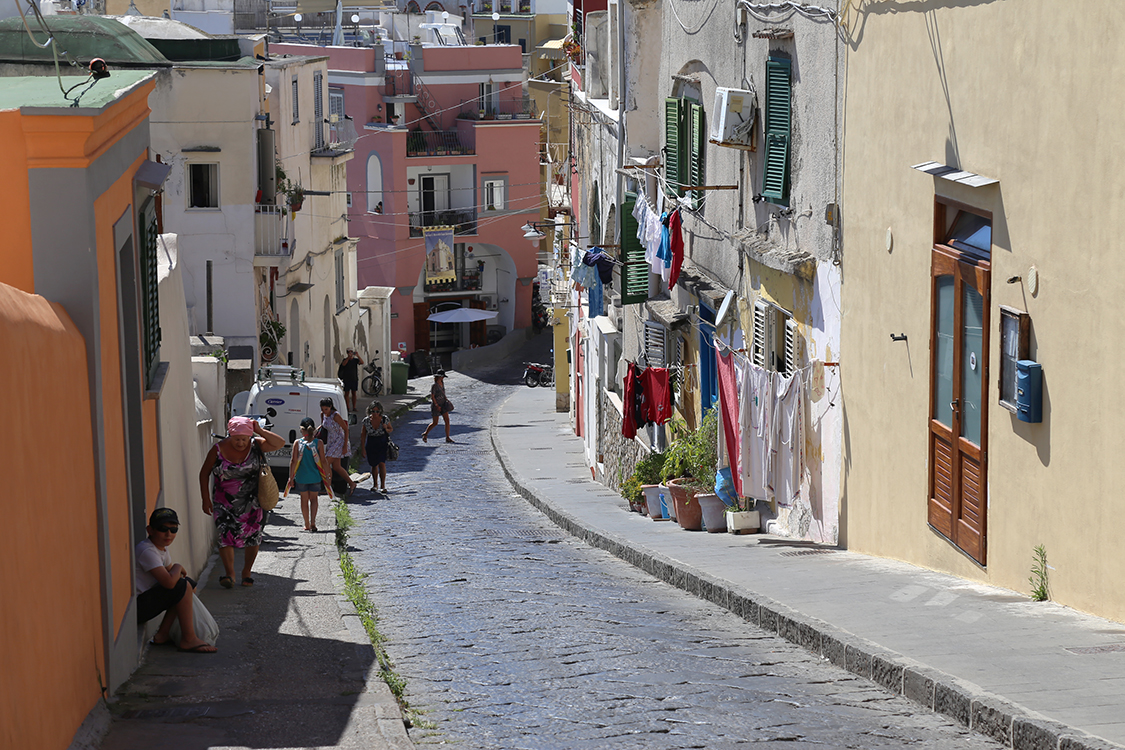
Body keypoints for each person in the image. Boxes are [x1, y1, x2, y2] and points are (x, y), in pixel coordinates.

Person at [199, 416, 285, 588]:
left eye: (244, 439)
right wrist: (205, 499)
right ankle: (229, 574)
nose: (240, 443)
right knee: (225, 535)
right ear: (230, 435)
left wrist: (258, 430)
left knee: (253, 536)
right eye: (237, 439)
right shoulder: (218, 449)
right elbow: (204, 473)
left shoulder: (256, 445)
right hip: (223, 502)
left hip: (252, 502)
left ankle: (246, 572)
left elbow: (279, 443)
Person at [135, 508, 217, 653]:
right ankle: (188, 639)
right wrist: (178, 566)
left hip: (147, 600)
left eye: (173, 530)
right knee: (181, 586)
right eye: (163, 529)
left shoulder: (161, 548)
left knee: (187, 585)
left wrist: (179, 574)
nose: (169, 534)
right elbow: (170, 582)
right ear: (150, 530)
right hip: (137, 607)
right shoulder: (147, 551)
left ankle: (163, 634)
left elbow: (174, 577)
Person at [285, 417, 334, 531]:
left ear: (302, 430)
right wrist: (327, 475)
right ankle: (313, 522)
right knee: (314, 499)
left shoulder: (297, 443)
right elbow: (323, 461)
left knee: (304, 500)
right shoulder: (319, 443)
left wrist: (291, 477)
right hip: (315, 477)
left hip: (301, 477)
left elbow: (293, 461)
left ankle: (306, 524)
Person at [321, 397, 357, 495]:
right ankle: (351, 483)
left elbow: (346, 429)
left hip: (339, 441)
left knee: (326, 462)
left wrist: (345, 446)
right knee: (337, 467)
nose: (324, 411)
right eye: (323, 409)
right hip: (331, 441)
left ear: (331, 407)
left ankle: (328, 487)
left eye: (326, 409)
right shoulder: (323, 415)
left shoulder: (336, 415)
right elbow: (323, 426)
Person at [360, 401, 394, 493]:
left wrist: (386, 428)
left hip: (382, 442)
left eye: (377, 411)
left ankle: (383, 485)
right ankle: (375, 485)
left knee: (382, 463)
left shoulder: (384, 419)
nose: (375, 413)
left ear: (380, 411)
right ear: (369, 411)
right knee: (374, 464)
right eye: (373, 411)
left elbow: (390, 429)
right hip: (371, 442)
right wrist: (363, 448)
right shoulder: (366, 421)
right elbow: (363, 435)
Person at [421, 370, 454, 444]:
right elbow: (432, 396)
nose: (443, 378)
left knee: (447, 420)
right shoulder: (434, 386)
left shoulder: (442, 383)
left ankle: (447, 437)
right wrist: (437, 405)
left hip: (443, 404)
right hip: (436, 405)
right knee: (435, 422)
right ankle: (425, 433)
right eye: (442, 377)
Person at [337, 348, 363, 414]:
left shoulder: (355, 360)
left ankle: (354, 407)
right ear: (347, 353)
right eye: (349, 352)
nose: (350, 353)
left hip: (354, 379)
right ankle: (347, 407)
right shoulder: (345, 360)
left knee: (354, 393)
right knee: (347, 393)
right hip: (347, 379)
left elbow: (362, 362)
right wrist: (348, 358)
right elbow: (343, 364)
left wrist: (358, 355)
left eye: (351, 352)